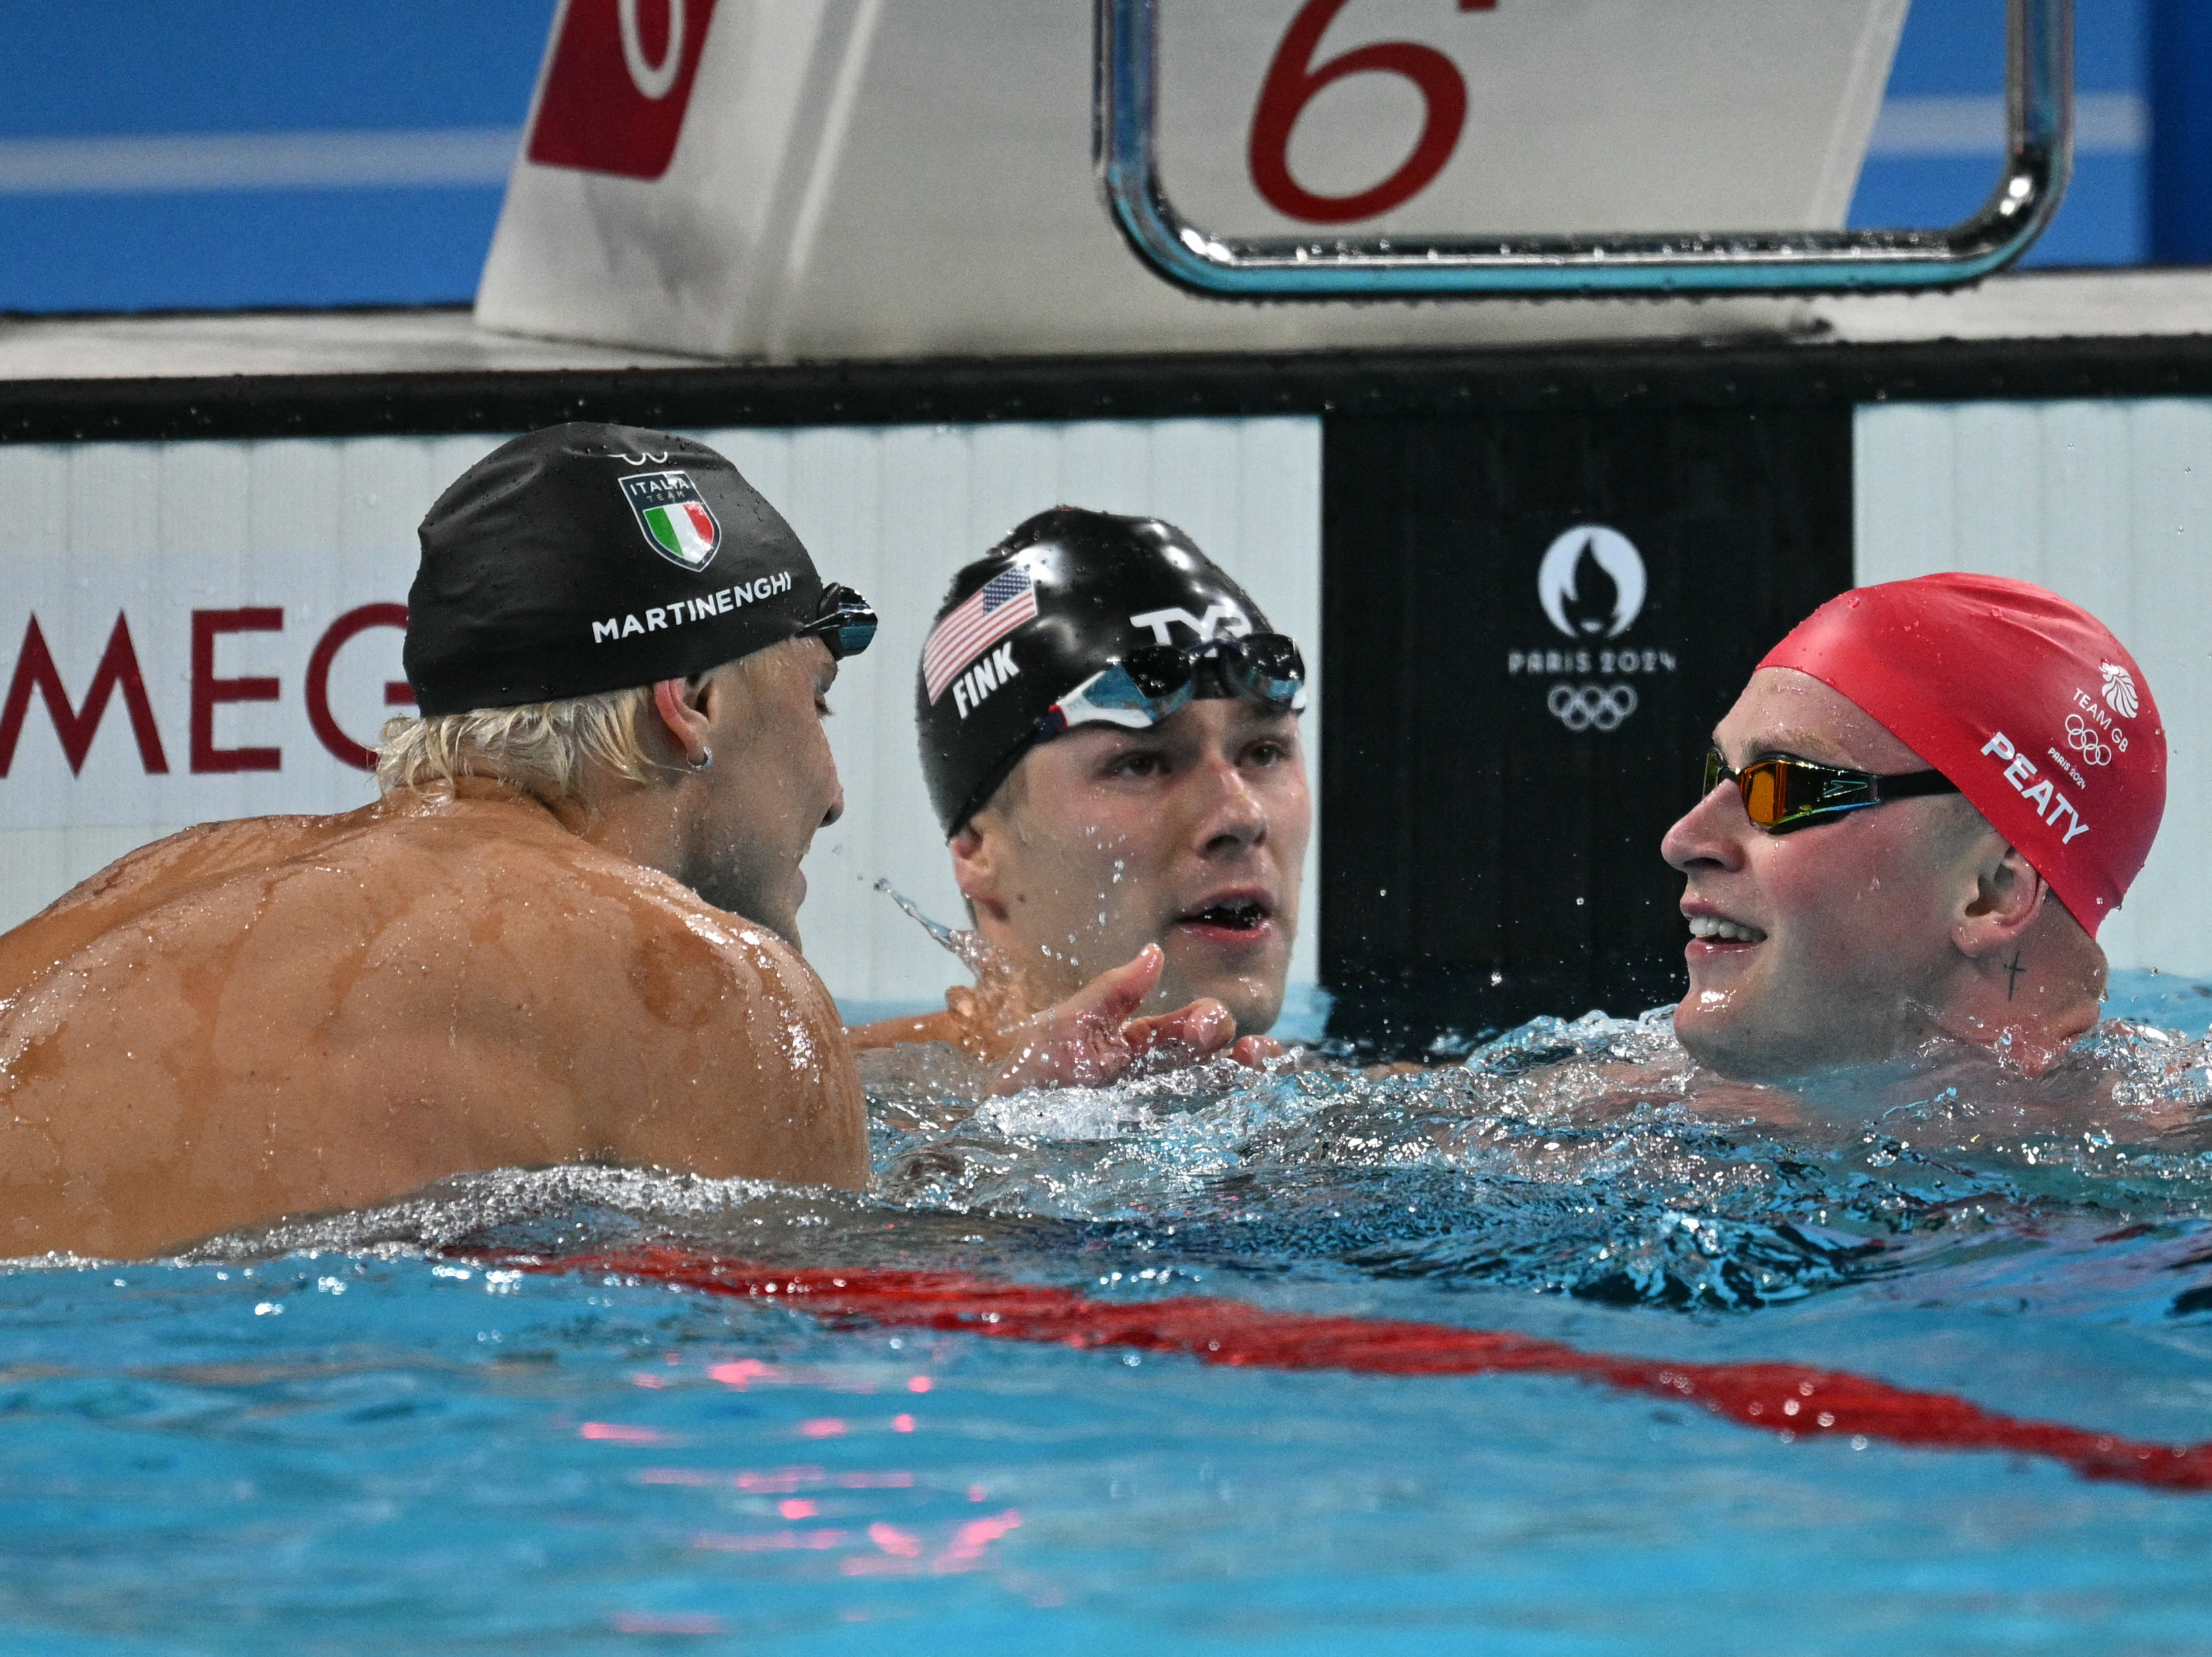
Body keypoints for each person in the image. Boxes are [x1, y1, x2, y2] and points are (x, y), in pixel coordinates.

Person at [0, 427, 1242, 1259]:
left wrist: (982, 1107)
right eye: (811, 703)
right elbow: (866, 1317)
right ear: (689, 703)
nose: (833, 789)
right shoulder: (709, 984)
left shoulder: (176, 877)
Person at [1658, 572, 2166, 1095]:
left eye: (1786, 789)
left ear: (1993, 892)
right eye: (1718, 775)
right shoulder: (1621, 1116)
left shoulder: (2191, 1164)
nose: (1682, 841)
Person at [852, 509, 1311, 1065]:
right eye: (1141, 764)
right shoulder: (821, 1112)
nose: (1240, 816)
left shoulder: (1369, 1119)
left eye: (1263, 753)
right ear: (978, 847)